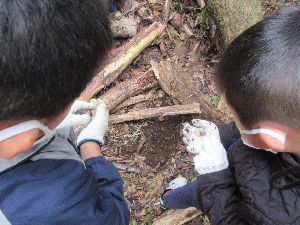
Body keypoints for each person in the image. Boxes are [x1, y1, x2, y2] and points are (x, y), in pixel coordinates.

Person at [160, 4, 300, 225]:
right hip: (235, 173)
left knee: (202, 194)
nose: (233, 120)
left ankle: (171, 199)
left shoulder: (280, 218)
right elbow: (250, 127)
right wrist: (222, 133)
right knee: (191, 193)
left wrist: (214, 176)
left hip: (226, 195)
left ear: (271, 138)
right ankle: (168, 199)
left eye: (234, 116)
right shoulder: (287, 119)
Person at [0, 1, 130, 225]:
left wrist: (51, 129)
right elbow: (112, 216)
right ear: (25, 138)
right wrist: (90, 145)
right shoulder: (59, 206)